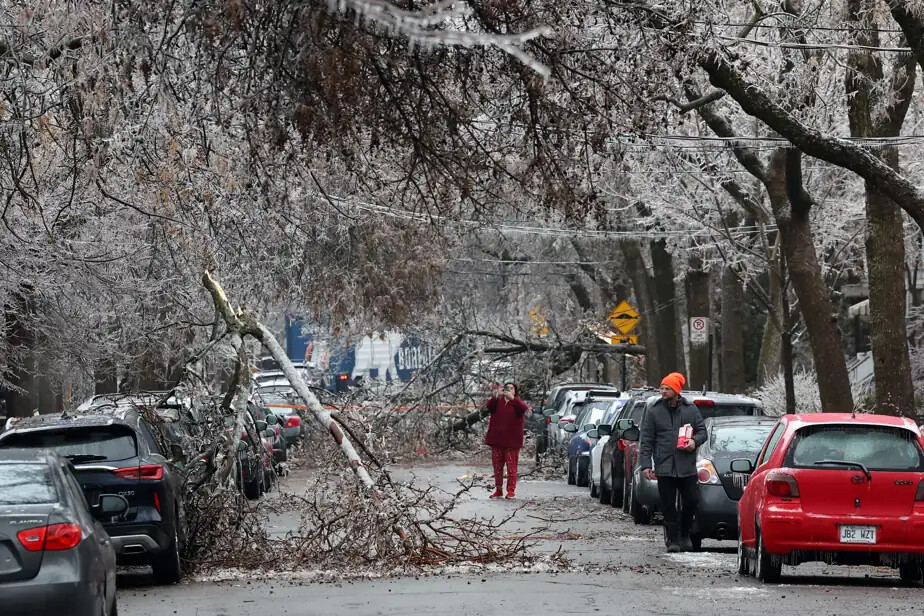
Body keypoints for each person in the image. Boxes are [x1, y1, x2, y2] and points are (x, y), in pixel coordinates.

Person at [638, 372, 706, 553]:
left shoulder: (690, 409)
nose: (663, 391)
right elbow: (647, 440)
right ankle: (672, 539)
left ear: (676, 390)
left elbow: (702, 431)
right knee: (668, 504)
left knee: (691, 500)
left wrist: (694, 441)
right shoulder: (654, 411)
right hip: (664, 465)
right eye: (662, 388)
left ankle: (685, 533)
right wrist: (646, 465)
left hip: (686, 466)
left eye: (667, 388)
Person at [484, 381, 530, 499]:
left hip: (512, 441)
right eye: (506, 388)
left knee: (511, 466)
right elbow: (488, 407)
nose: (508, 390)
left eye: (511, 388)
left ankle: (511, 490)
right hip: (497, 440)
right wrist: (496, 395)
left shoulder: (517, 403)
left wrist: (513, 399)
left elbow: (524, 409)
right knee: (497, 466)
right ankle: (498, 490)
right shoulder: (497, 402)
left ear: (515, 391)